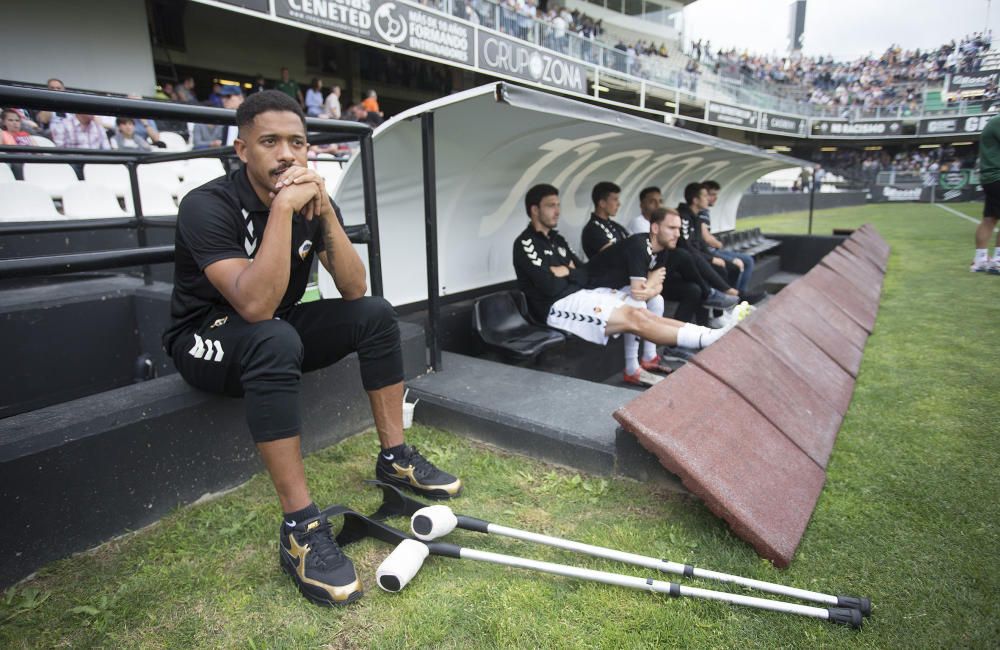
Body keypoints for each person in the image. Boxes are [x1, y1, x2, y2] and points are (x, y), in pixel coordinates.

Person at [163, 90, 462, 607]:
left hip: (272, 323)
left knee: (375, 314)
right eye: (270, 142)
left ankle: (395, 458)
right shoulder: (206, 205)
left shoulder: (311, 200)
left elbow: (352, 287)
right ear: (241, 150)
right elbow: (254, 306)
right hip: (203, 335)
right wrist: (282, 210)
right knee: (273, 335)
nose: (287, 155)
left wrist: (323, 216)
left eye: (298, 143)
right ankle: (301, 527)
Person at [513, 184, 733, 367]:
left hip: (580, 293)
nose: (557, 211)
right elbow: (549, 287)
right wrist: (570, 272)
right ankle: (706, 339)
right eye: (551, 206)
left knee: (643, 311)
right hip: (554, 306)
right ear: (534, 210)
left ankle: (706, 335)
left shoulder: (557, 240)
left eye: (558, 205)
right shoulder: (526, 244)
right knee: (635, 317)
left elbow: (582, 271)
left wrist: (566, 270)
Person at [627, 186, 737, 324]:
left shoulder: (681, 220)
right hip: (643, 275)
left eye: (660, 201)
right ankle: (713, 295)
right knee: (683, 255)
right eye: (652, 201)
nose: (658, 204)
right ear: (642, 204)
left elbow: (695, 245)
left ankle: (690, 331)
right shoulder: (639, 225)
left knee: (694, 288)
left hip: (659, 271)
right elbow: (651, 257)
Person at [699, 180, 755, 295]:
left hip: (712, 251)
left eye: (716, 194)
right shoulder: (701, 213)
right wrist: (718, 243)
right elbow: (706, 237)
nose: (716, 198)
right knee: (740, 263)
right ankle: (738, 296)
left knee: (747, 261)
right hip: (709, 252)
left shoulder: (705, 211)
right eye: (712, 194)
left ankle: (739, 294)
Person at [972, 114, 1000, 273]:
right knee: (990, 220)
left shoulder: (995, 121)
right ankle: (997, 261)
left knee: (989, 219)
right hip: (997, 175)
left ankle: (980, 260)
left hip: (991, 176)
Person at [581, 181, 630, 260]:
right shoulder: (592, 229)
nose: (619, 204)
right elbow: (614, 257)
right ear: (602, 203)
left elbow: (635, 247)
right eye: (615, 199)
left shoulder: (616, 226)